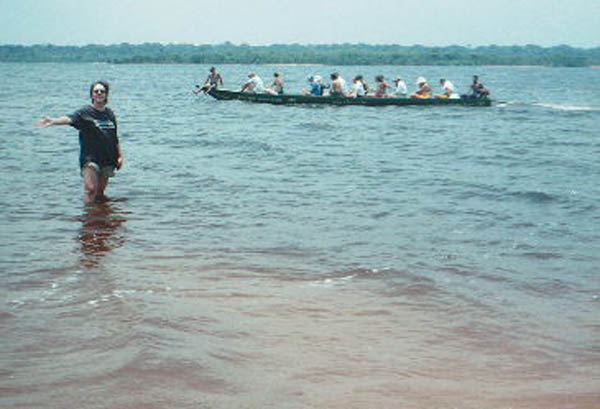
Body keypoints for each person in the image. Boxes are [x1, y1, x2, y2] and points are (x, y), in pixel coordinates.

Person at [36, 81, 123, 204]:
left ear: (106, 95)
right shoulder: (84, 113)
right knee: (90, 189)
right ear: (92, 95)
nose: (99, 93)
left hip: (108, 158)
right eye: (96, 91)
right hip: (90, 158)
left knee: (100, 192)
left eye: (102, 91)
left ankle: (100, 218)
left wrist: (120, 156)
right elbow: (69, 119)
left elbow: (115, 137)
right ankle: (88, 219)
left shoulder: (110, 114)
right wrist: (53, 121)